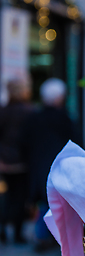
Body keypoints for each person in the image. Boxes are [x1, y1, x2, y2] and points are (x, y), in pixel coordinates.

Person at [19, 78, 77, 251]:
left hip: (38, 166)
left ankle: (42, 235)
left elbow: (23, 143)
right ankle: (52, 236)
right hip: (60, 165)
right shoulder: (65, 118)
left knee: (44, 201)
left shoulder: (34, 118)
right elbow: (75, 142)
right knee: (57, 201)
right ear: (60, 97)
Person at [0, 77, 33, 244]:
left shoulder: (4, 111)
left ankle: (3, 229)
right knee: (20, 198)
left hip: (5, 162)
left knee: (7, 196)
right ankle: (18, 234)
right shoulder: (30, 112)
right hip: (22, 162)